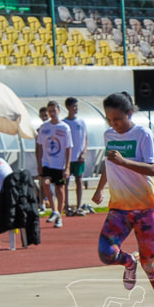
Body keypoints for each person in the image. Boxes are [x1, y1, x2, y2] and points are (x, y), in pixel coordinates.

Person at [91, 92, 154, 307]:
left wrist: (124, 162)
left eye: (117, 118)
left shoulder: (143, 134)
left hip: (145, 209)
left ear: (129, 113)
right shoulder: (109, 135)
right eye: (108, 119)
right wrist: (99, 189)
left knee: (150, 264)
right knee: (105, 253)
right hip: (119, 209)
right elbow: (109, 163)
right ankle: (129, 263)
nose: (113, 124)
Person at [35, 100, 72, 229]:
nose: (52, 113)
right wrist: (39, 163)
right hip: (47, 162)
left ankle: (59, 216)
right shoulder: (44, 128)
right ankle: (54, 210)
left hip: (59, 164)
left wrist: (67, 167)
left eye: (54, 111)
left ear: (59, 111)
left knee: (59, 189)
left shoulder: (64, 127)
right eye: (50, 111)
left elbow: (68, 147)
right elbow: (39, 146)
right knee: (45, 184)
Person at [63, 97, 89, 216]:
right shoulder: (64, 124)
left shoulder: (81, 122)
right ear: (68, 107)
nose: (76, 109)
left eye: (77, 106)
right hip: (68, 159)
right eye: (74, 106)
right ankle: (66, 206)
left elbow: (85, 138)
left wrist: (84, 152)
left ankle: (79, 206)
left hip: (79, 158)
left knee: (79, 181)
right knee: (65, 183)